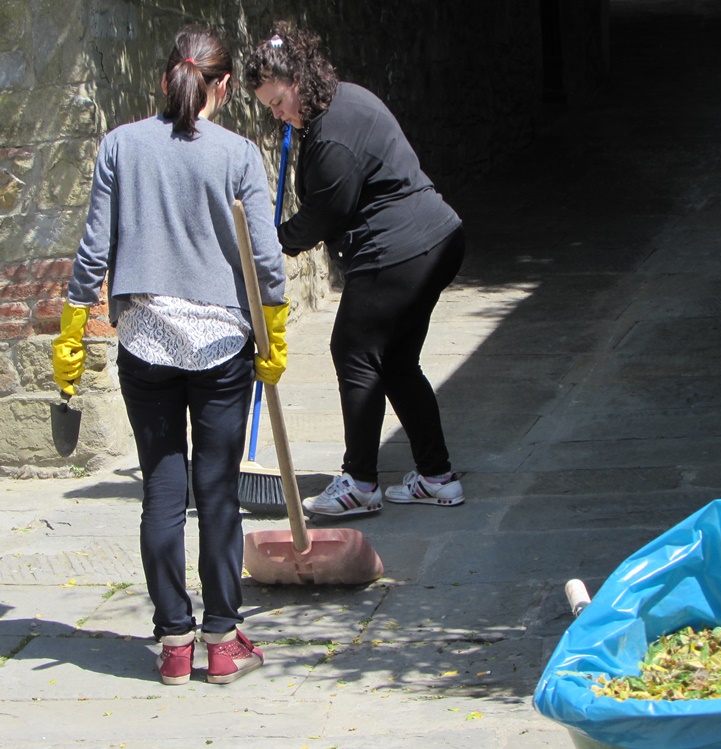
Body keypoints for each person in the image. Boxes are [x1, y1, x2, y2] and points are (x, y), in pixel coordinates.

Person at [51, 26, 288, 686]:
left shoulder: (121, 146)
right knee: (216, 491)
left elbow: (93, 252)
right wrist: (274, 329)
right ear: (225, 86)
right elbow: (265, 259)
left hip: (146, 341)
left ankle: (173, 641)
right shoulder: (239, 154)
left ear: (165, 80)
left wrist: (72, 332)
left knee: (162, 489)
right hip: (220, 345)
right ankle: (221, 639)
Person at [243, 23, 465, 517]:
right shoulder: (344, 101)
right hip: (436, 239)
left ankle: (361, 482)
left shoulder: (332, 136)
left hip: (400, 249)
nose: (277, 113)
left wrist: (276, 238)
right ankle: (437, 477)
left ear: (299, 78)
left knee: (354, 350)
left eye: (278, 101)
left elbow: (329, 212)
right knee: (397, 362)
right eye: (270, 107)